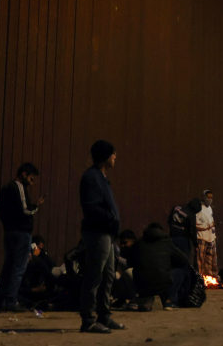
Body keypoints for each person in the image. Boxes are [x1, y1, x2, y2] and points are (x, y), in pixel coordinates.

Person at [78, 139, 125, 333]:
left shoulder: (101, 177)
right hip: (98, 233)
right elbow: (91, 207)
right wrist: (111, 219)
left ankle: (104, 316)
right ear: (106, 157)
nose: (116, 157)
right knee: (94, 276)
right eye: (113, 154)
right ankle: (88, 320)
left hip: (107, 234)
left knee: (107, 277)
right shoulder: (91, 177)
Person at [0, 163, 43, 312]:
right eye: (31, 178)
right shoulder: (18, 187)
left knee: (8, 267)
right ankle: (11, 301)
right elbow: (25, 209)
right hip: (21, 232)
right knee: (18, 268)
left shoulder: (5, 189)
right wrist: (36, 206)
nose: (32, 182)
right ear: (24, 174)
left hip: (9, 231)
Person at [128, 222, 189, 310]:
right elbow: (184, 260)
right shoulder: (167, 242)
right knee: (180, 271)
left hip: (142, 284)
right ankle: (170, 301)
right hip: (162, 282)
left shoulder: (139, 243)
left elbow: (130, 262)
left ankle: (145, 299)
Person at [194, 190, 219, 280]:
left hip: (211, 238)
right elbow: (196, 224)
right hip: (202, 238)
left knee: (211, 260)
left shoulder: (209, 208)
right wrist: (207, 227)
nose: (210, 199)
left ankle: (211, 278)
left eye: (211, 197)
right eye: (208, 197)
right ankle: (199, 279)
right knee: (200, 260)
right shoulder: (198, 208)